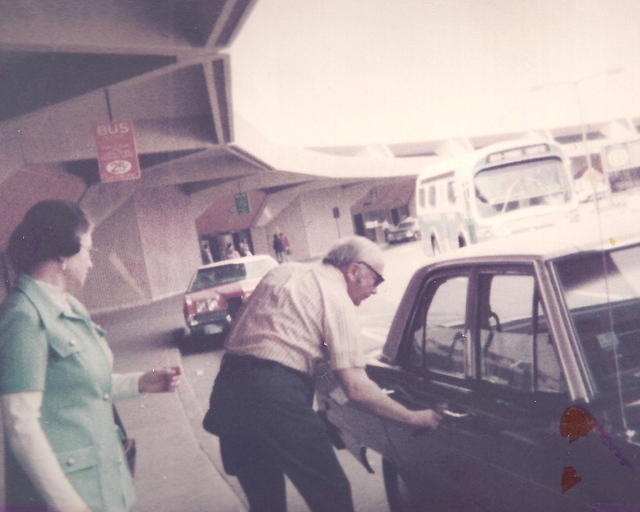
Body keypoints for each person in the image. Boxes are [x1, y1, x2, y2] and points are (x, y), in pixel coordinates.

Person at [202, 235, 442, 512]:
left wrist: (332, 405)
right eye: (377, 280)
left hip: (228, 391)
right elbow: (356, 387)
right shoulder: (336, 297)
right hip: (275, 395)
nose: (376, 290)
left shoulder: (284, 271)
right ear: (354, 271)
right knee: (331, 494)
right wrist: (412, 417)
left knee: (265, 499)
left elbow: (307, 358)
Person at [0, 200, 182, 512]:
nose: (91, 261)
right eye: (87, 250)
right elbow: (21, 424)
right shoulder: (23, 317)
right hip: (66, 497)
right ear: (62, 254)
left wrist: (141, 382)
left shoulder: (71, 308)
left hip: (102, 483)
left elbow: (80, 385)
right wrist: (69, 506)